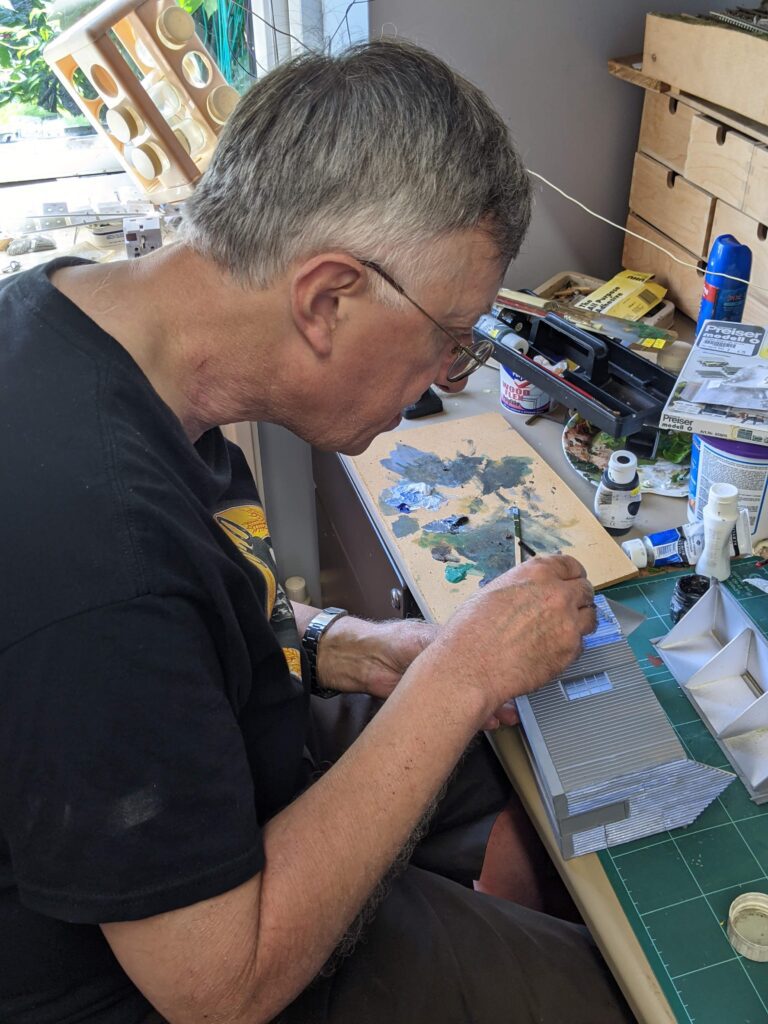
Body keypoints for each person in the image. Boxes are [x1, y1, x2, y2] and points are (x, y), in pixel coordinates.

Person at [0, 39, 635, 1024]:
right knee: (606, 995)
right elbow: (219, 986)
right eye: (450, 336)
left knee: (533, 745)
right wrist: (458, 674)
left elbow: (197, 608)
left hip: (220, 783)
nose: (450, 375)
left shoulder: (99, 325)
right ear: (326, 299)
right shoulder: (89, 545)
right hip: (189, 970)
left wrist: (350, 649)